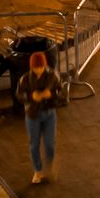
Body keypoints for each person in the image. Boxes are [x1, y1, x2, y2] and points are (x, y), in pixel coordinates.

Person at [18, 49, 67, 185]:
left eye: (41, 67)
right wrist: (30, 97)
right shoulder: (26, 79)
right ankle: (38, 170)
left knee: (50, 143)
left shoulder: (52, 76)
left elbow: (62, 91)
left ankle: (49, 165)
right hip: (32, 114)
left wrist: (52, 95)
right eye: (36, 68)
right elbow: (19, 95)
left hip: (49, 113)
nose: (39, 70)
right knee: (34, 144)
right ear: (32, 67)